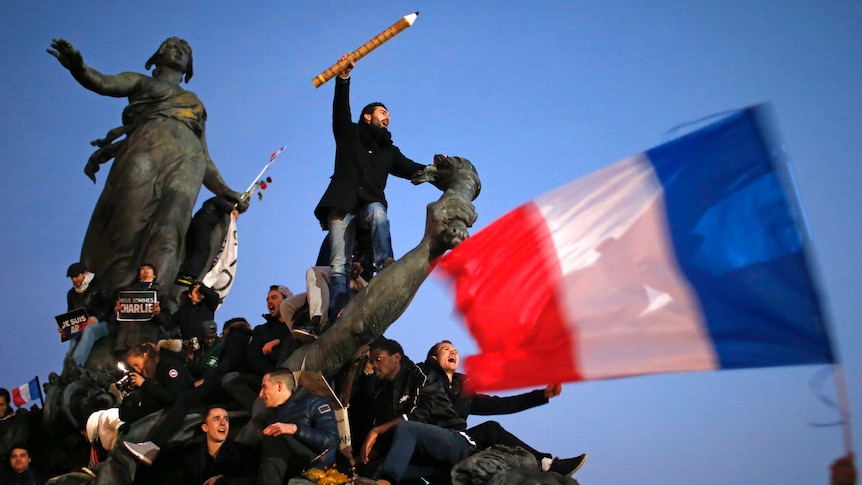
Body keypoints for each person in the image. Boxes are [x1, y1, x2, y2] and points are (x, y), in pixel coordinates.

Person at [47, 38, 248, 310]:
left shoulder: (194, 103)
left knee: (171, 229)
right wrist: (79, 67)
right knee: (127, 226)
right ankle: (111, 305)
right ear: (156, 56)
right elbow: (104, 82)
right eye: (171, 46)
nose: (179, 49)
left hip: (186, 164)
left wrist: (226, 190)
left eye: (186, 50)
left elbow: (205, 157)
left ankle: (156, 303)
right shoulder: (141, 82)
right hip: (143, 154)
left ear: (190, 65)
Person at [313, 55, 430, 322]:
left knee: (379, 214)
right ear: (368, 117)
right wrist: (343, 79)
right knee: (339, 264)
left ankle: (385, 263)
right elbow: (340, 110)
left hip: (369, 202)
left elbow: (412, 168)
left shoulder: (388, 149)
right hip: (342, 203)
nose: (388, 116)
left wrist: (437, 172)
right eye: (382, 112)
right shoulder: (349, 133)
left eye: (388, 114)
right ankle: (338, 311)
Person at [421, 340, 587, 477]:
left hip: (461, 442)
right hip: (433, 443)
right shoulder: (422, 379)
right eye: (446, 349)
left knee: (491, 432)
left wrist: (541, 395)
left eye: (455, 350)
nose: (453, 353)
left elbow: (502, 404)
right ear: (434, 359)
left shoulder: (463, 388)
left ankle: (546, 464)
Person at [357, 337, 474, 485]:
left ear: (396, 358)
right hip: (424, 458)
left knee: (406, 427)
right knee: (371, 470)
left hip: (452, 440)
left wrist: (376, 431)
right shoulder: (382, 394)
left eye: (378, 359)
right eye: (372, 361)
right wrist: (358, 459)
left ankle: (385, 482)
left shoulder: (420, 372)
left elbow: (419, 415)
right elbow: (386, 440)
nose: (374, 365)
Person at [258, 369, 339, 485]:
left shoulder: (315, 403)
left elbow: (331, 441)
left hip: (315, 468)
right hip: (288, 472)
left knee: (276, 437)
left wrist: (295, 429)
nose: (260, 394)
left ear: (279, 386)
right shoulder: (272, 417)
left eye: (264, 387)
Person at [222, 286, 296, 410]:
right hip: (267, 377)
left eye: (274, 297)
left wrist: (279, 341)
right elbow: (254, 357)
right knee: (229, 379)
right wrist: (271, 375)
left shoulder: (297, 323)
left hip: (293, 374)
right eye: (267, 299)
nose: (269, 302)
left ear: (286, 300)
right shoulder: (261, 330)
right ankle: (260, 411)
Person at [120, 342, 194, 464]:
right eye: (134, 368)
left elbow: (173, 397)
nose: (138, 370)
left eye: (137, 365)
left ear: (145, 355)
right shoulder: (155, 370)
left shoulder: (170, 365)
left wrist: (144, 384)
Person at [180, 406, 256, 485]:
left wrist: (225, 481)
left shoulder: (243, 453)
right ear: (205, 428)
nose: (223, 423)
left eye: (226, 419)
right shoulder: (191, 460)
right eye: (216, 419)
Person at [177, 196, 239, 286]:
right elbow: (222, 204)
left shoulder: (210, 204)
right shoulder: (218, 200)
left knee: (192, 249)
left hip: (198, 222)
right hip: (203, 223)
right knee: (203, 250)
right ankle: (188, 275)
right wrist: (231, 210)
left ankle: (183, 272)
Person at [113, 263, 170, 357]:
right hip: (125, 339)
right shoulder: (127, 292)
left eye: (149, 268)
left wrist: (157, 314)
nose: (145, 269)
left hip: (146, 338)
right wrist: (117, 313)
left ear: (154, 275)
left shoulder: (160, 293)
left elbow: (166, 319)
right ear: (139, 275)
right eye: (142, 268)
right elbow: (115, 321)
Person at [63, 262, 113, 366]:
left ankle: (76, 364)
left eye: (76, 276)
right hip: (79, 326)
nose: (74, 280)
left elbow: (109, 305)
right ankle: (66, 370)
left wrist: (97, 318)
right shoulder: (71, 294)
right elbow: (70, 312)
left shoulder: (99, 286)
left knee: (88, 330)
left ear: (84, 274)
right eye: (72, 277)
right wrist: (65, 325)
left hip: (101, 325)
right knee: (73, 337)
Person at [168, 282, 220, 358]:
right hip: (189, 348)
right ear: (190, 295)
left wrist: (202, 288)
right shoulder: (182, 311)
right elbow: (168, 324)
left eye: (201, 293)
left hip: (206, 344)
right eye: (196, 292)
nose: (199, 294)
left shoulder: (208, 306)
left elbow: (215, 297)